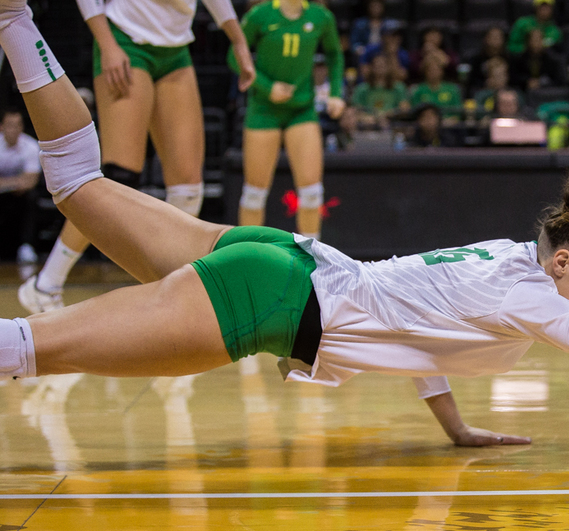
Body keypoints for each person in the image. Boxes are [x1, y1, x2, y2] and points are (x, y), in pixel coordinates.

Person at [0, 2, 569, 449]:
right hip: (276, 297)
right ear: (564, 262)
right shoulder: (534, 299)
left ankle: (15, 20)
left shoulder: (502, 259)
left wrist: (455, 427)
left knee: (77, 181)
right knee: (27, 351)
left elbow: (420, 336)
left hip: (282, 260)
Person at [17, 0, 256, 314]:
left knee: (189, 186)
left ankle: (172, 289)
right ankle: (46, 284)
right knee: (118, 178)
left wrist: (238, 39)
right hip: (125, 39)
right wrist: (107, 44)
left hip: (176, 49)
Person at [230, 0, 345, 241]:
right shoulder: (260, 15)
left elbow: (335, 54)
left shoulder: (321, 17)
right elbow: (234, 56)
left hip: (301, 110)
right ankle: (248, 254)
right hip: (264, 109)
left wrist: (335, 92)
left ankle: (311, 257)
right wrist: (266, 86)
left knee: (312, 193)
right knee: (254, 194)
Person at [0, 108, 40, 264]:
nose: (14, 129)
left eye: (17, 125)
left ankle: (26, 246)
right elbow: (24, 179)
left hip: (21, 195)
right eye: (10, 125)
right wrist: (17, 181)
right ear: (2, 127)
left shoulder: (31, 146)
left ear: (22, 127)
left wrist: (6, 183)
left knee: (32, 197)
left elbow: (31, 180)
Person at [350, 52, 409, 127]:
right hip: (367, 126)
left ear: (389, 67)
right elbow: (355, 110)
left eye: (383, 65)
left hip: (393, 124)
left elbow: (405, 109)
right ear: (371, 67)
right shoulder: (361, 89)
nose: (380, 67)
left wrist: (388, 115)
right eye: (376, 65)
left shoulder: (399, 88)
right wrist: (367, 118)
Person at [509, 28, 565, 92]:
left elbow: (558, 80)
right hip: (524, 90)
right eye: (533, 40)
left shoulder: (552, 59)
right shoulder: (519, 60)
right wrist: (527, 81)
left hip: (546, 91)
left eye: (538, 40)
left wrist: (541, 82)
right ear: (528, 42)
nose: (536, 43)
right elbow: (514, 78)